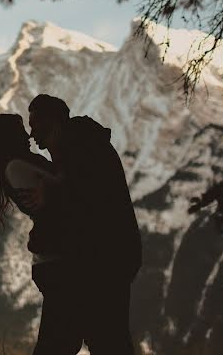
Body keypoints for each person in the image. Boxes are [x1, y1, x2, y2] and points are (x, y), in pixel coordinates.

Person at [28, 94, 142, 355]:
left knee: (97, 341)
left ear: (54, 123)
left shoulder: (82, 149)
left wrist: (51, 193)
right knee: (107, 340)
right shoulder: (81, 147)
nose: (32, 135)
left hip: (99, 265)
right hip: (102, 264)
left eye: (37, 126)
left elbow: (86, 202)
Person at [0, 113, 75, 354]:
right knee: (59, 343)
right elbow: (59, 199)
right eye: (20, 130)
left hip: (55, 260)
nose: (27, 135)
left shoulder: (18, 165)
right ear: (7, 138)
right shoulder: (17, 167)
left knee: (62, 340)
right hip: (57, 261)